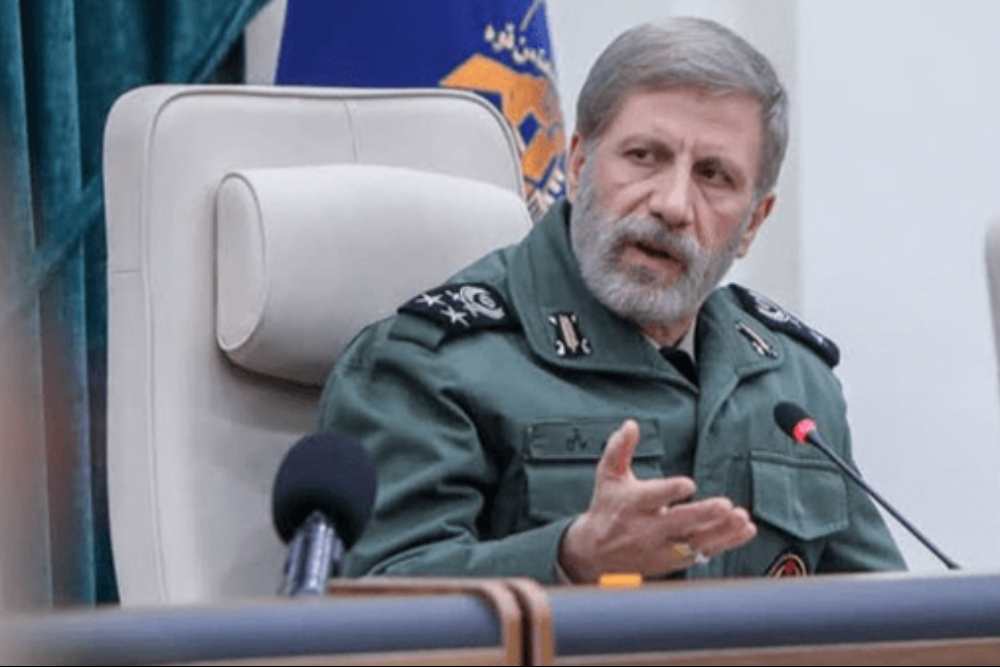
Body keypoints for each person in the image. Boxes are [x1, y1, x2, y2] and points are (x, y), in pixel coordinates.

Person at [319, 16, 905, 583]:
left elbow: (891, 619)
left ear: (753, 222)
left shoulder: (794, 387)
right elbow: (376, 604)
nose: (672, 205)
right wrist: (571, 558)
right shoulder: (430, 363)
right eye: (644, 156)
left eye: (713, 175)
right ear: (578, 167)